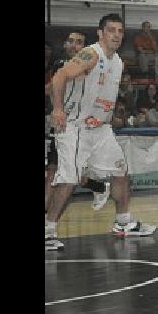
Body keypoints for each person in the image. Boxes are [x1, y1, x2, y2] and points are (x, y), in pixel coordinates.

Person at [46, 14, 156, 251]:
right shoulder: (90, 54)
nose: (116, 34)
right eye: (111, 30)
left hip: (101, 128)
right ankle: (48, 230)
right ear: (100, 33)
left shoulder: (117, 61)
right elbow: (60, 76)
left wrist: (110, 116)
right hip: (76, 127)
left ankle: (123, 222)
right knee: (68, 179)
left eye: (120, 31)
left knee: (120, 171)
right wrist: (57, 109)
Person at [45, 31, 110, 212]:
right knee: (57, 171)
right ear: (65, 45)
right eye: (71, 41)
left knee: (60, 172)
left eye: (79, 42)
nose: (74, 45)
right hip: (61, 125)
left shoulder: (90, 65)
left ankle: (48, 227)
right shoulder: (59, 64)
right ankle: (98, 186)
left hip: (80, 126)